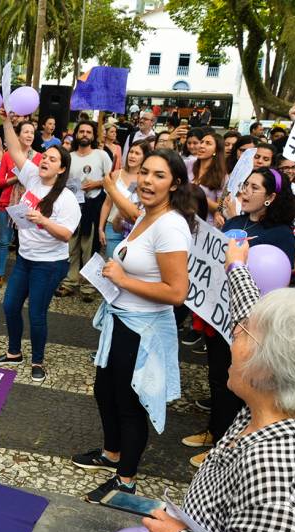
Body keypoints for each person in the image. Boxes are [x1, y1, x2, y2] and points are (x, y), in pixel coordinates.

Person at [143, 251, 295, 532]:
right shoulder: (269, 403)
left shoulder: (271, 468)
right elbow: (250, 311)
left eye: (242, 334)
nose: (234, 332)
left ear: (266, 370)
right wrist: (236, 265)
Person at [72, 149, 194, 502]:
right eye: (144, 173)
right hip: (121, 320)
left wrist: (124, 280)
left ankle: (126, 480)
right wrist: (112, 188)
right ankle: (111, 455)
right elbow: (131, 213)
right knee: (104, 391)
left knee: (129, 404)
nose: (147, 181)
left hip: (143, 328)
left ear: (175, 185)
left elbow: (176, 292)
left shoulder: (171, 226)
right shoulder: (147, 215)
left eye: (159, 175)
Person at [182, 168, 295, 467]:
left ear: (271, 197)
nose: (244, 191)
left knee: (239, 384)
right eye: (245, 185)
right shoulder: (234, 221)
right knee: (218, 375)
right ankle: (212, 430)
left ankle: (224, 441)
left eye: (254, 187)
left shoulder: (281, 235)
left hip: (251, 322)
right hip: (219, 313)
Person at [0, 110, 80, 381]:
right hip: (25, 259)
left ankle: (38, 361)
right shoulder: (33, 178)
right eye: (45, 157)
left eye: (52, 159)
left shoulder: (66, 198)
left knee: (37, 313)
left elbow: (65, 234)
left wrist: (42, 220)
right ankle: (14, 352)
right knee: (9, 305)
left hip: (49, 265)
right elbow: (14, 149)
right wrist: (6, 121)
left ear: (61, 169)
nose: (45, 161)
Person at [57, 121, 113, 301]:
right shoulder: (69, 156)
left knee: (89, 246)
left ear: (93, 136)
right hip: (72, 206)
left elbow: (112, 178)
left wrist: (96, 183)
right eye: (81, 131)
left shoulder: (101, 155)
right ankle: (70, 281)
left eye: (88, 131)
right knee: (71, 245)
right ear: (76, 134)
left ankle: (89, 285)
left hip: (93, 205)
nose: (85, 134)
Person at [0, 121, 42, 292]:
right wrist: (15, 178)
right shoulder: (7, 155)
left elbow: (41, 182)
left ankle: (22, 278)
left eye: (31, 132)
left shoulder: (40, 157)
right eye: (25, 132)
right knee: (4, 241)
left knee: (25, 242)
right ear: (17, 135)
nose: (29, 135)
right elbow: (0, 182)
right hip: (6, 202)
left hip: (28, 204)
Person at [99, 140, 149, 259]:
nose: (132, 156)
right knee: (111, 263)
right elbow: (107, 204)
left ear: (145, 157)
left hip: (136, 228)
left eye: (137, 153)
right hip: (112, 227)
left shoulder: (146, 178)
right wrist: (101, 228)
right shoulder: (116, 174)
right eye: (131, 152)